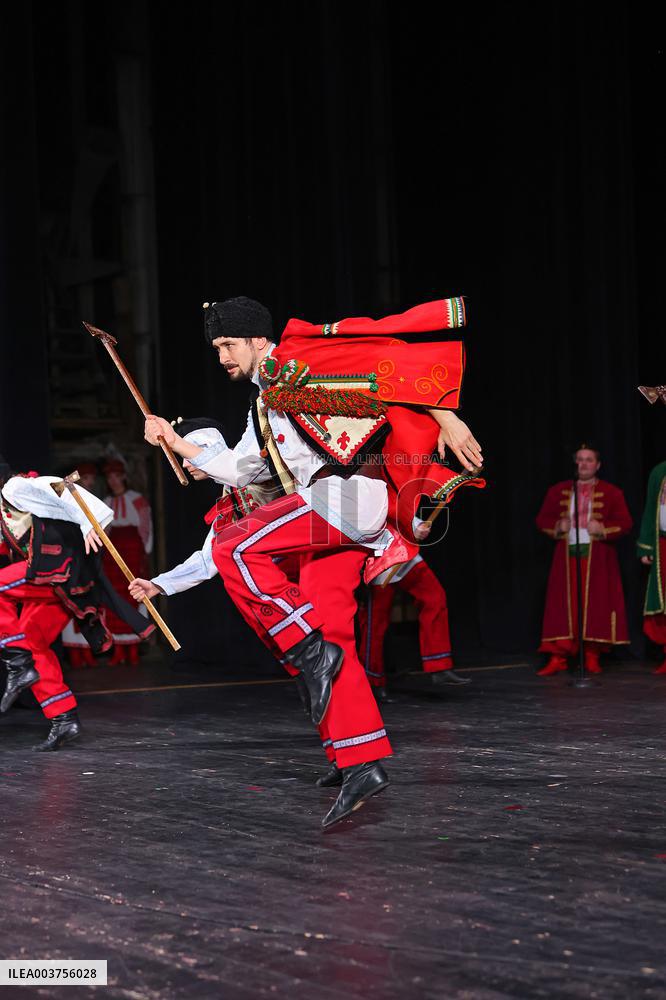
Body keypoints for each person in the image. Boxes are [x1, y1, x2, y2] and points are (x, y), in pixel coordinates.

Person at [144, 295, 481, 827]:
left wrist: (449, 418)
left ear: (258, 340)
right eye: (215, 348)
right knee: (333, 630)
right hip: (334, 513)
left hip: (343, 498)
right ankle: (357, 759)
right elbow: (241, 468)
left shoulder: (292, 365)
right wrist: (172, 441)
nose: (222, 356)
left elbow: (387, 362)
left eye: (229, 345)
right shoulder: (264, 400)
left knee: (235, 546)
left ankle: (304, 648)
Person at [0, 472, 154, 749]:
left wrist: (89, 523)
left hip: (60, 570)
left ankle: (17, 663)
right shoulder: (4, 510)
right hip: (60, 583)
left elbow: (61, 486)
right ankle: (63, 718)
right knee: (31, 639)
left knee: (19, 635)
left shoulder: (15, 486)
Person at [536, 444, 632, 676]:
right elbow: (542, 519)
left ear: (597, 465)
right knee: (562, 606)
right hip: (566, 554)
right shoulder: (558, 490)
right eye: (580, 460)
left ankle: (591, 655)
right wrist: (557, 526)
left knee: (595, 605)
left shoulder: (612, 492)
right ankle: (558, 657)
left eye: (589, 460)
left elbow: (626, 523)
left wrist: (604, 528)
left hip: (597, 555)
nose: (584, 464)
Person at [359, 517, 469, 697]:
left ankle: (438, 665)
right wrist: (411, 529)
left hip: (403, 552)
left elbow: (400, 506)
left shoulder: (390, 489)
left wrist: (417, 524)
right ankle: (373, 682)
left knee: (434, 596)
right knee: (375, 622)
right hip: (379, 557)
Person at [102, 459, 153, 665]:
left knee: (134, 595)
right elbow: (103, 530)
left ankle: (133, 648)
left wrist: (145, 553)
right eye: (109, 477)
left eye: (116, 476)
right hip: (113, 555)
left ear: (123, 476)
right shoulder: (105, 502)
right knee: (116, 598)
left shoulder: (137, 499)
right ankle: (119, 650)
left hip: (133, 552)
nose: (113, 481)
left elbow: (146, 526)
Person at [637, 460, 666, 673]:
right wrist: (646, 546)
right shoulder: (659, 471)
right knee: (663, 600)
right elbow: (650, 510)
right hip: (663, 543)